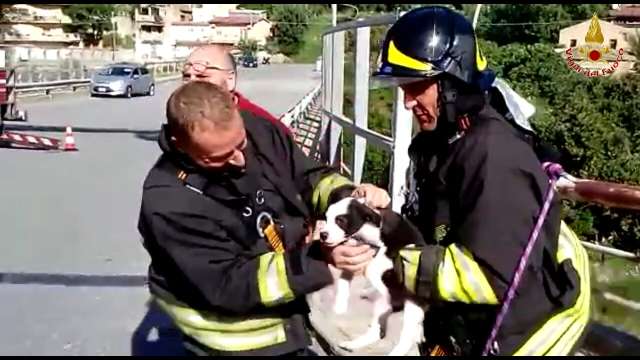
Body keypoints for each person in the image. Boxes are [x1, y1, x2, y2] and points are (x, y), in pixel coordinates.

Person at [370, 6, 590, 356]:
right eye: (402, 86)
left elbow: (491, 279)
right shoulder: (442, 142)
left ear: (451, 82)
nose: (408, 101)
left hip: (523, 338)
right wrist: (382, 223)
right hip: (470, 329)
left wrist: (391, 264)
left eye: (416, 85)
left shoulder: (492, 154)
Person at [137, 80, 389, 356]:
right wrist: (319, 262)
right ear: (180, 145)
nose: (240, 160)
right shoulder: (169, 201)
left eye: (240, 144)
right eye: (219, 157)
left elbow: (306, 177)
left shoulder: (257, 128)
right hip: (235, 338)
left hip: (290, 311)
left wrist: (348, 197)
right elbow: (228, 284)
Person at [182, 44, 293, 136]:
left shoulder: (266, 129)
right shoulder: (178, 118)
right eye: (186, 77)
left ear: (230, 79)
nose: (191, 84)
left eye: (202, 77)